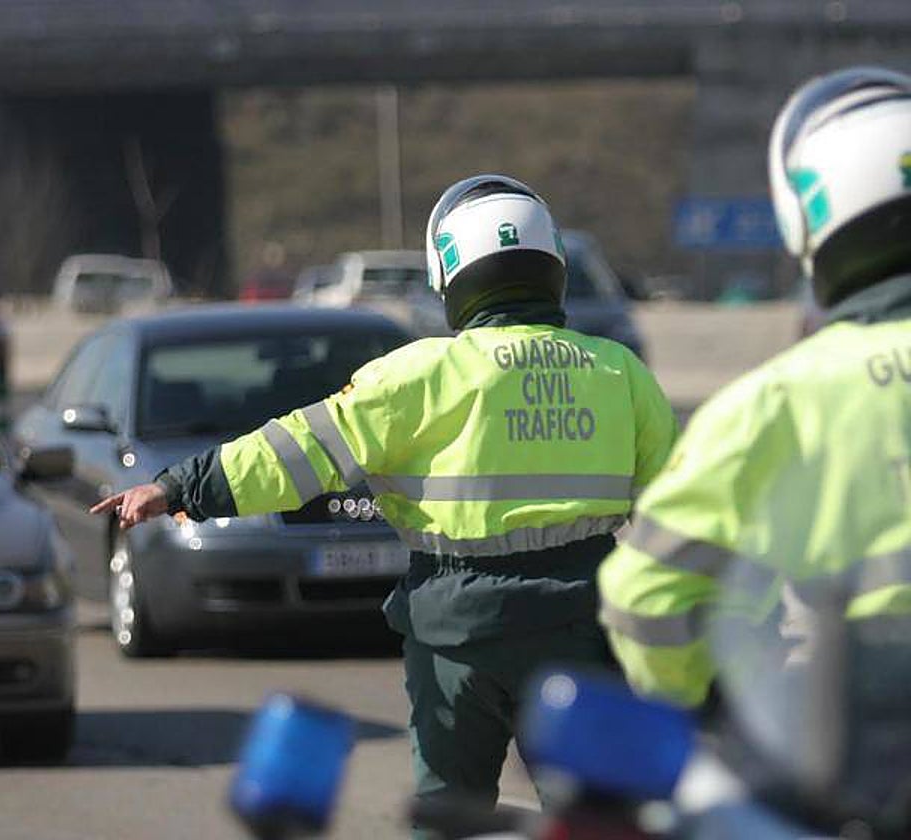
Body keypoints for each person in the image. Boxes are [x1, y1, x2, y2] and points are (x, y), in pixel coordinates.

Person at [91, 174, 676, 829]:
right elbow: (682, 512)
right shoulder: (618, 371)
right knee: (597, 818)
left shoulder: (419, 374)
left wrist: (180, 487)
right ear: (553, 270)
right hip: (579, 624)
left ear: (451, 277)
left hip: (457, 632)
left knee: (447, 811)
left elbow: (295, 452)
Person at [599, 66, 911, 708]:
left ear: (807, 217)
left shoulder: (777, 403)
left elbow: (646, 596)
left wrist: (718, 704)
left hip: (863, 755)